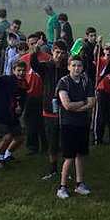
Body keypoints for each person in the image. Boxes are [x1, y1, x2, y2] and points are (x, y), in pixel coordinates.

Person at [55, 53, 95, 200]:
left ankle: (79, 184)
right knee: (69, 157)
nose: (77, 68)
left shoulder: (86, 81)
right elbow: (66, 105)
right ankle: (62, 186)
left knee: (80, 155)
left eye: (79, 66)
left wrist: (77, 106)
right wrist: (82, 103)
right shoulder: (63, 83)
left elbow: (92, 102)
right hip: (68, 124)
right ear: (68, 67)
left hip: (82, 123)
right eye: (74, 65)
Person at [29, 40, 71, 181]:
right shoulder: (46, 67)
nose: (59, 56)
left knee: (66, 141)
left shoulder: (67, 68)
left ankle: (67, 169)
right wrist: (36, 49)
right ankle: (53, 169)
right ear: (52, 52)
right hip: (49, 109)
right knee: (52, 142)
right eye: (57, 52)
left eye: (62, 53)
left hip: (65, 109)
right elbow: (34, 64)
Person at [0, 60, 28, 169]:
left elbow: (22, 100)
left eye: (23, 71)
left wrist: (20, 108)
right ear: (13, 71)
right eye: (18, 70)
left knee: (20, 137)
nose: (21, 73)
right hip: (1, 113)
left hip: (13, 115)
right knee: (7, 137)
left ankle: (8, 155)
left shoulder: (24, 84)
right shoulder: (5, 80)